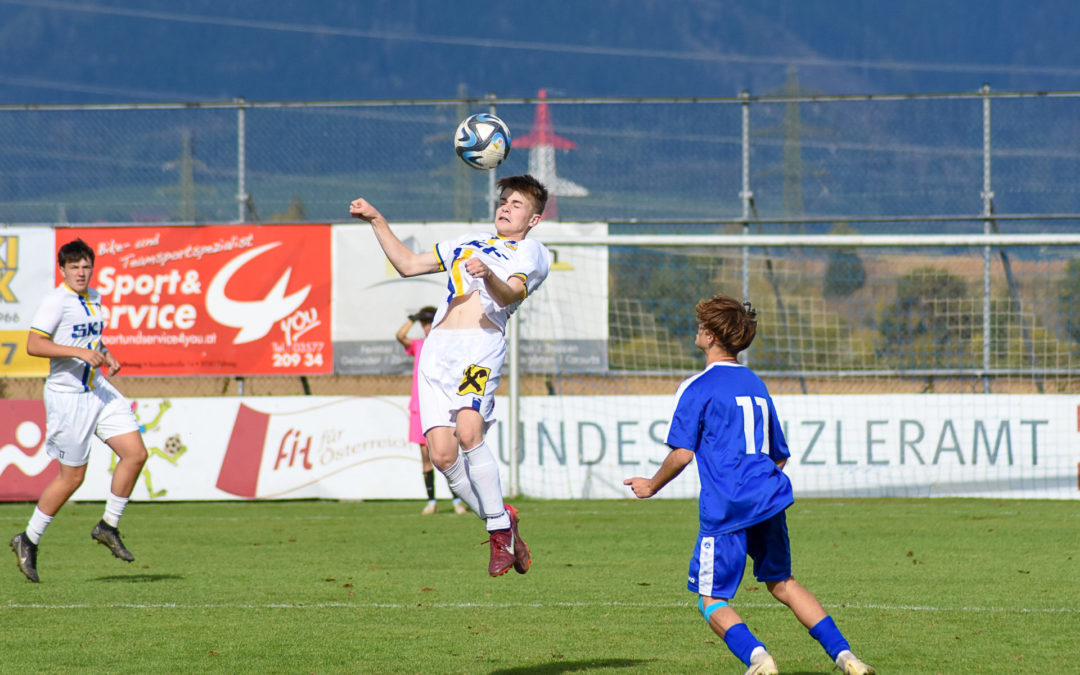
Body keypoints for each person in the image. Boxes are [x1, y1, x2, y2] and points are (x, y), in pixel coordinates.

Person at [623, 295, 875, 675]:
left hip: (727, 505)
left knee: (711, 599)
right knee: (783, 583)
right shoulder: (755, 383)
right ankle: (847, 657)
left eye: (701, 325)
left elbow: (682, 454)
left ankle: (760, 659)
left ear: (710, 335)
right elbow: (780, 455)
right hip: (768, 496)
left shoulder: (696, 387)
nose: (697, 330)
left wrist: (651, 485)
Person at [350, 174, 550, 577]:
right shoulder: (468, 241)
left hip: (479, 348)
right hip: (437, 354)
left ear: (534, 219)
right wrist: (376, 220)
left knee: (469, 432)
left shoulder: (532, 251)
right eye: (504, 200)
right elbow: (407, 265)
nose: (506, 207)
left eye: (517, 205)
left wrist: (487, 274)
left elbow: (511, 294)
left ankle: (498, 532)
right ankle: (503, 522)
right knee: (442, 456)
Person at [10, 238, 149, 583]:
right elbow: (34, 344)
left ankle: (108, 525)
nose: (81, 272)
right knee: (72, 478)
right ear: (63, 270)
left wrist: (105, 353)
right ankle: (28, 539)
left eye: (86, 266)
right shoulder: (56, 301)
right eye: (74, 267)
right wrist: (78, 352)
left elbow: (91, 339)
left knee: (135, 454)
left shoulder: (95, 297)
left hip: (97, 390)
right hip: (67, 398)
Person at [396, 305, 466, 516]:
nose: (427, 327)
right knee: (426, 456)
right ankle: (432, 501)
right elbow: (400, 336)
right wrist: (413, 319)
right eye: (424, 324)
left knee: (445, 455)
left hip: (441, 405)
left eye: (429, 322)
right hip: (419, 408)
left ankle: (457, 501)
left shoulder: (445, 344)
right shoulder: (419, 345)